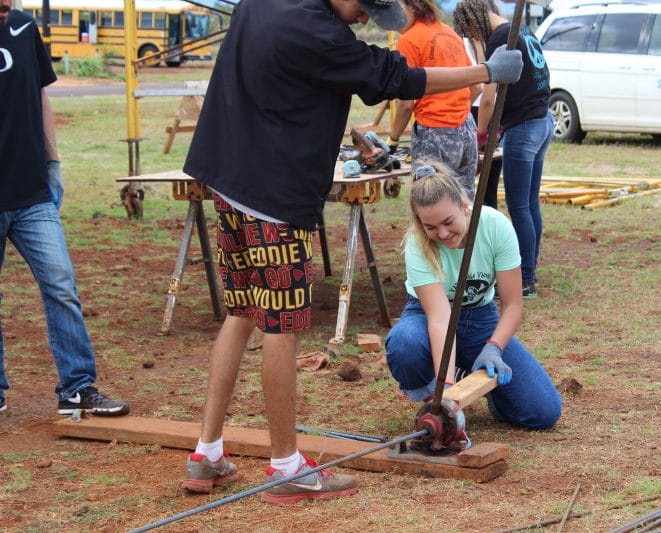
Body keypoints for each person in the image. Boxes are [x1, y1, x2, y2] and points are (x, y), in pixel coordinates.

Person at [179, 0, 524, 504]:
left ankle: (206, 453)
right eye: (365, 8)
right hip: (272, 192)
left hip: (227, 177)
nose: (365, 19)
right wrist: (486, 72)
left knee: (243, 311)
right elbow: (395, 77)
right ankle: (286, 468)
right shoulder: (318, 33)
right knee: (281, 324)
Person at [0, 0, 130, 416]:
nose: (7, 3)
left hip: (32, 193)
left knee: (61, 285)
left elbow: (40, 96)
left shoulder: (22, 27)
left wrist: (53, 164)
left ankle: (77, 387)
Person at [384, 161, 561, 432]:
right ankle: (437, 403)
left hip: (480, 316)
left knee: (543, 412)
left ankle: (487, 385)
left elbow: (513, 305)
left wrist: (494, 347)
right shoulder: (417, 244)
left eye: (448, 222)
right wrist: (448, 389)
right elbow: (441, 319)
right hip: (427, 316)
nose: (442, 234)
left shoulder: (496, 227)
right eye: (431, 227)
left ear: (464, 206)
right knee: (404, 344)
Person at [454, 0, 555, 297]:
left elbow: (487, 97)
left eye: (470, 33)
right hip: (542, 119)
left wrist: (481, 135)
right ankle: (530, 271)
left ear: (473, 22)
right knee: (530, 203)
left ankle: (524, 278)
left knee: (519, 206)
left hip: (524, 126)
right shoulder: (521, 29)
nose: (473, 38)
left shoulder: (501, 39)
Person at [387, 0, 481, 200]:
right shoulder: (449, 33)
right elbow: (476, 86)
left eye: (398, 6)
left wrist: (392, 141)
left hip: (433, 132)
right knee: (464, 205)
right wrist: (456, 108)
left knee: (427, 203)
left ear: (414, 6)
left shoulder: (409, 40)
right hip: (466, 130)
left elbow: (405, 104)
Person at [463, 34, 504, 210]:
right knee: (483, 187)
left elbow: (485, 95)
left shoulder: (493, 43)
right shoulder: (493, 42)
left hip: (479, 114)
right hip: (487, 115)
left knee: (467, 187)